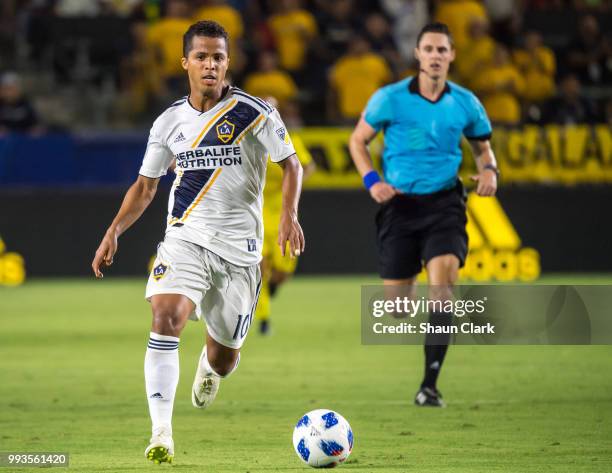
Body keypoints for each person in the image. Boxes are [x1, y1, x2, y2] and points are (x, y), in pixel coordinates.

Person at [91, 21, 305, 464]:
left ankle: (210, 367)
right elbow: (146, 186)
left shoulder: (255, 111)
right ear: (185, 62)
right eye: (203, 56)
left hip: (241, 254)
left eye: (219, 57)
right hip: (185, 239)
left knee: (225, 357)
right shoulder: (168, 121)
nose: (211, 65)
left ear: (228, 63)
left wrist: (289, 215)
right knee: (165, 315)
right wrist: (114, 230)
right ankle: (161, 434)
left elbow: (292, 164)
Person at [349, 22, 498, 407]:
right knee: (398, 309)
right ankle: (409, 270)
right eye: (428, 49)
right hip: (399, 205)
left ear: (451, 56)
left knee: (443, 291)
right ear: (418, 54)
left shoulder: (466, 102)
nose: (435, 56)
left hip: (445, 203)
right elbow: (358, 141)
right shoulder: (390, 98)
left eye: (442, 50)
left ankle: (429, 385)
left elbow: (484, 150)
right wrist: (372, 181)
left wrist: (489, 171)